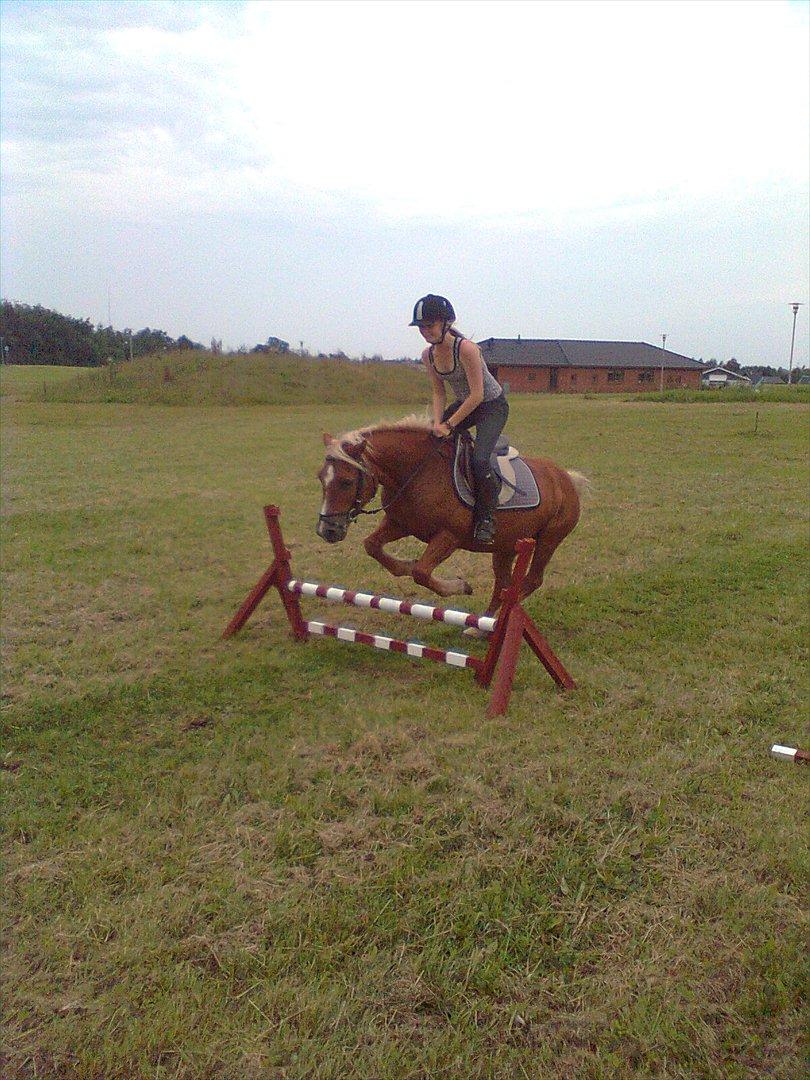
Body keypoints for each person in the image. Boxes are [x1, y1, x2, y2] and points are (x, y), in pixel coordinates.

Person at [410, 294, 508, 543]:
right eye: (421, 327)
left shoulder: (466, 349)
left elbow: (477, 395)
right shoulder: (428, 355)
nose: (425, 331)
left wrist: (449, 424)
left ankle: (486, 517)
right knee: (431, 442)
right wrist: (436, 423)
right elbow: (438, 392)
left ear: (447, 323)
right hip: (466, 404)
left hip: (490, 406)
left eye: (429, 325)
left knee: (479, 459)